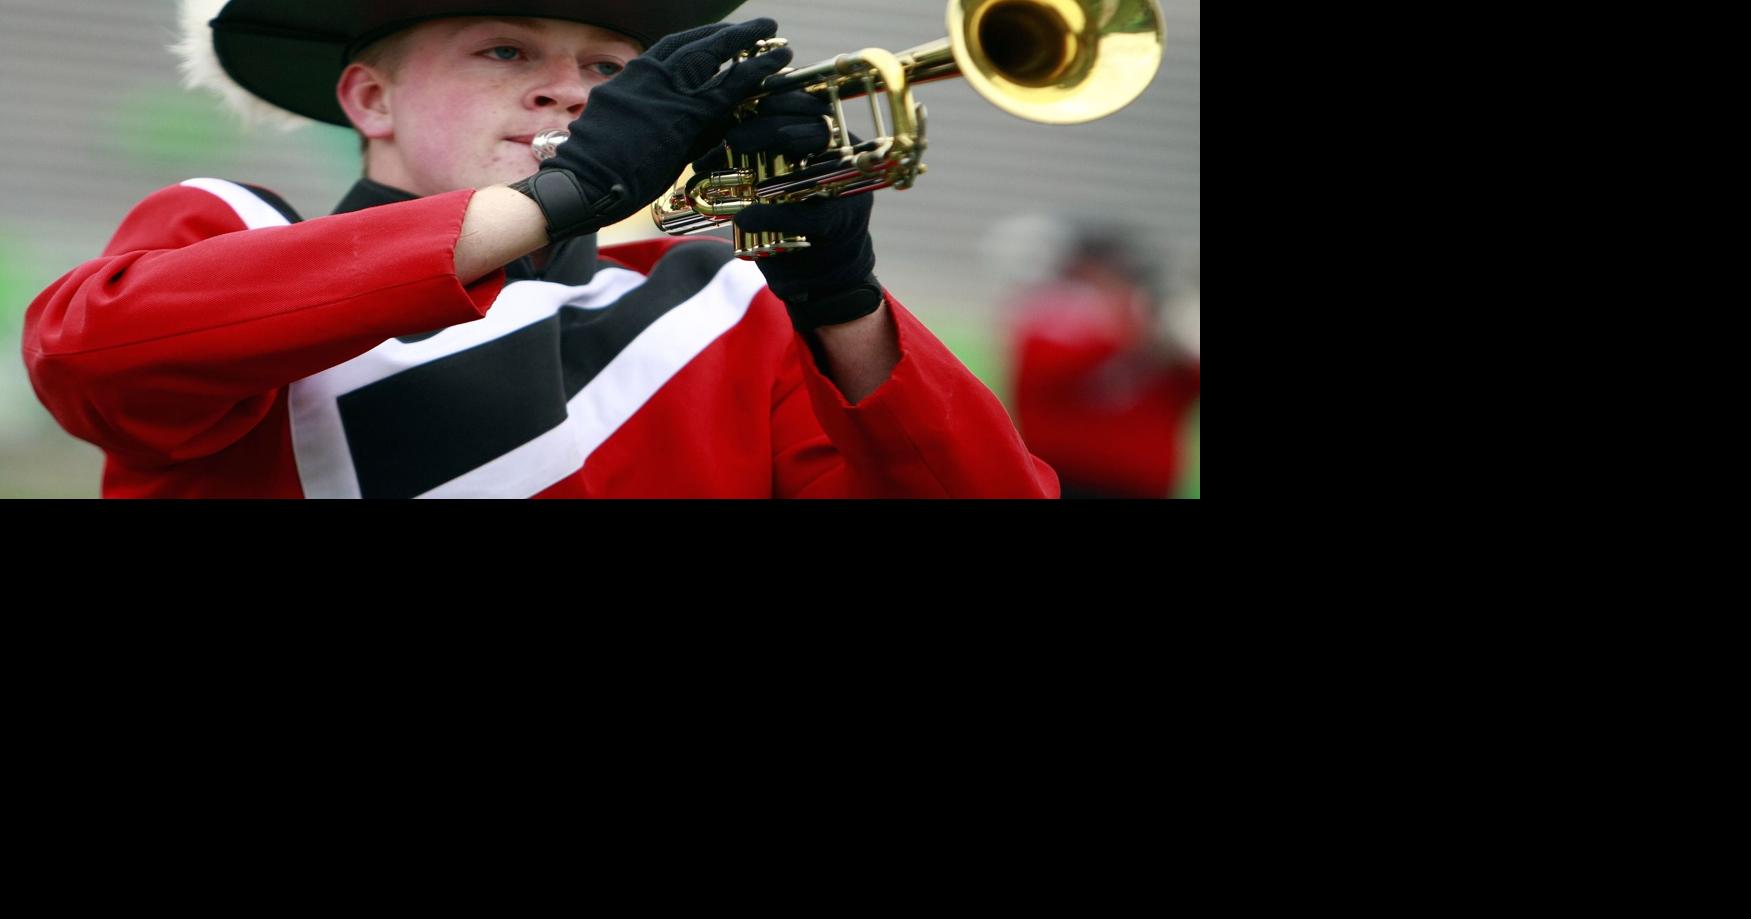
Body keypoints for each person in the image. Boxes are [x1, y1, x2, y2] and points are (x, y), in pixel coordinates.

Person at [20, 0, 1059, 499]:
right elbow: (91, 357)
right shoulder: (231, 232)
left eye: (612, 70)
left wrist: (840, 299)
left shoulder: (724, 306)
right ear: (368, 98)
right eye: (506, 51)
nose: (569, 89)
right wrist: (560, 197)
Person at [1007, 225, 1199, 498]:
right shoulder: (1053, 311)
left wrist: (1167, 341)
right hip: (1069, 477)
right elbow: (1046, 376)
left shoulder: (1156, 323)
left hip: (1142, 484)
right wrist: (1127, 336)